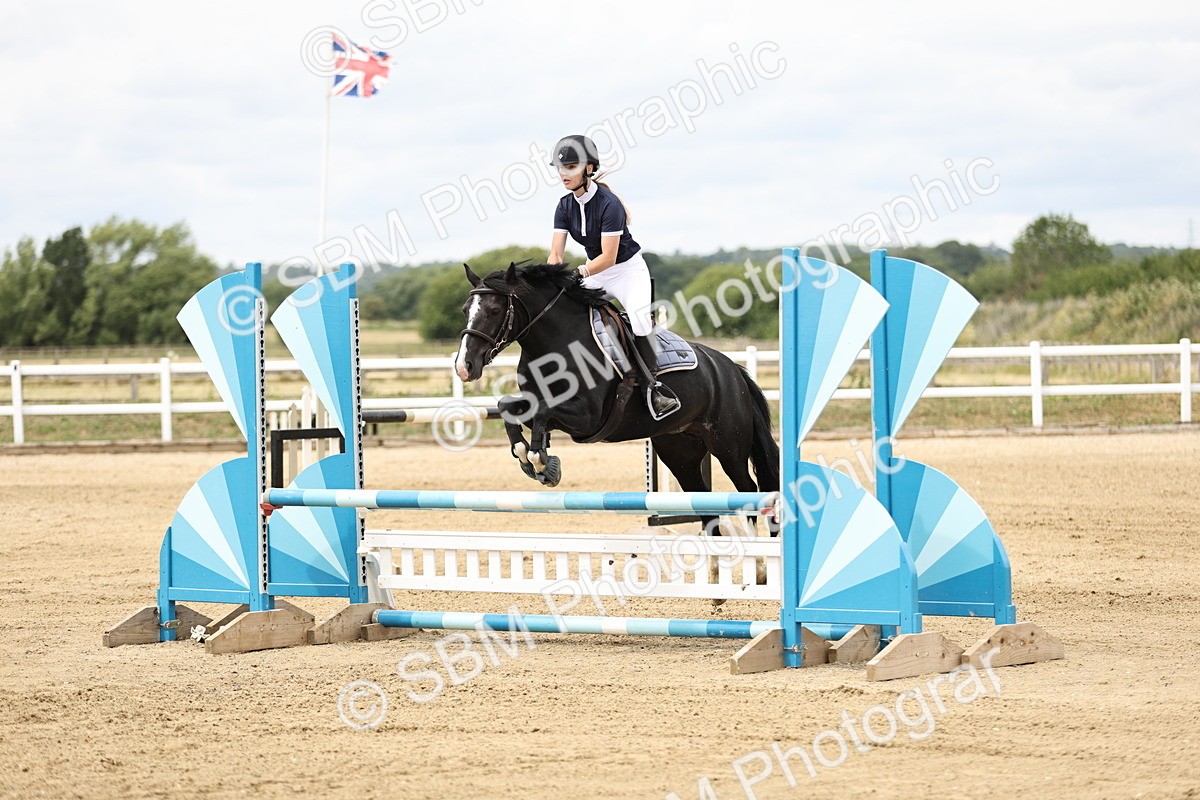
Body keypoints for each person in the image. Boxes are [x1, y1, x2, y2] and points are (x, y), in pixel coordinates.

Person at [545, 134, 681, 420]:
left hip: (626, 271)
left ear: (589, 169)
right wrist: (553, 275)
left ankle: (654, 388)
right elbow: (555, 254)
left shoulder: (609, 204)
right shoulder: (564, 205)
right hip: (595, 272)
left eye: (570, 167)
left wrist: (579, 272)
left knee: (641, 320)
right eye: (561, 168)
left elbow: (608, 257)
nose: (563, 174)